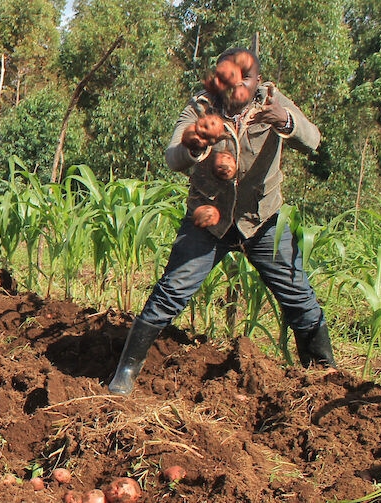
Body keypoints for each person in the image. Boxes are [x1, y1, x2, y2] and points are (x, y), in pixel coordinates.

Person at [107, 48, 335, 396]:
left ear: (257, 81)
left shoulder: (273, 102)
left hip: (261, 219)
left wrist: (285, 119)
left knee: (299, 296)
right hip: (209, 219)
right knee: (171, 292)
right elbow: (173, 157)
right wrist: (195, 144)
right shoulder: (201, 109)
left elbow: (312, 139)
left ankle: (324, 376)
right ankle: (125, 371)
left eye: (246, 78)